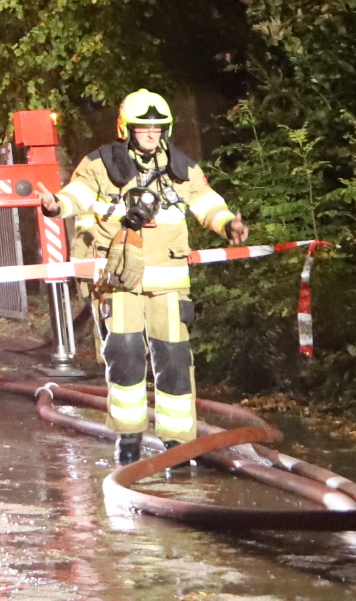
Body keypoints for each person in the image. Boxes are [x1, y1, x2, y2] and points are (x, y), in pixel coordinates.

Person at [38, 90, 247, 463]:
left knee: (175, 359)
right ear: (126, 129)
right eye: (143, 128)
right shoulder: (100, 164)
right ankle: (129, 439)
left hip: (168, 282)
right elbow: (77, 195)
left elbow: (206, 201)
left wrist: (228, 223)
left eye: (158, 128)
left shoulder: (180, 167)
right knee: (125, 356)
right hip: (120, 281)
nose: (151, 134)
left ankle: (177, 443)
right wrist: (56, 205)